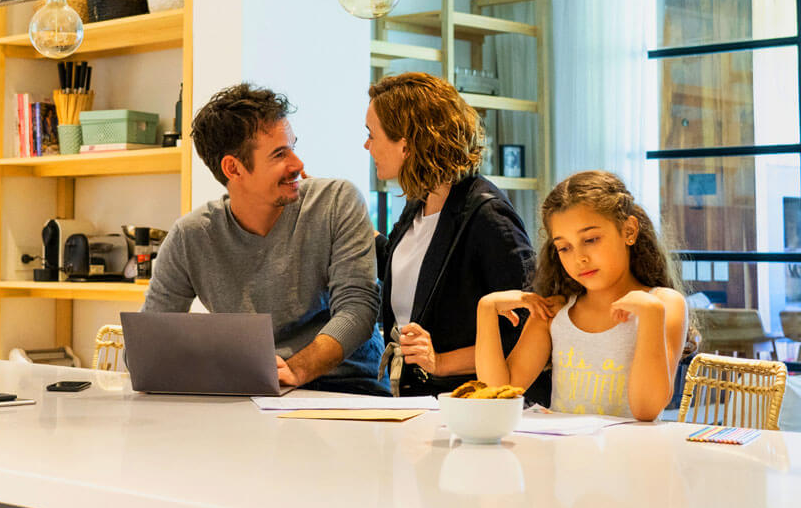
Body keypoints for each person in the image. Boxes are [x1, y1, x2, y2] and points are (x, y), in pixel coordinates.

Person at [143, 83, 385, 395]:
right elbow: (150, 342)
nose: (298, 165)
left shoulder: (337, 201)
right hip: (251, 393)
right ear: (233, 168)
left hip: (347, 389)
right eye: (280, 154)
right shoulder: (191, 236)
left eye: (293, 147)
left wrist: (296, 369)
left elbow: (358, 309)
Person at [366, 72, 540, 398]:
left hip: (469, 404)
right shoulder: (421, 203)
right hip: (419, 398)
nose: (366, 145)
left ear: (406, 143)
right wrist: (342, 217)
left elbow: (528, 329)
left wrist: (441, 361)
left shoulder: (487, 214)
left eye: (371, 134)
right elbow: (410, 275)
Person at [475, 170, 688, 420]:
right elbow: (498, 397)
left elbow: (646, 410)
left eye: (591, 239)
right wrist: (486, 309)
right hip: (564, 456)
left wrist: (651, 315)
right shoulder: (554, 312)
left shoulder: (663, 304)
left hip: (631, 457)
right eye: (564, 247)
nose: (579, 258)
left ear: (629, 230)